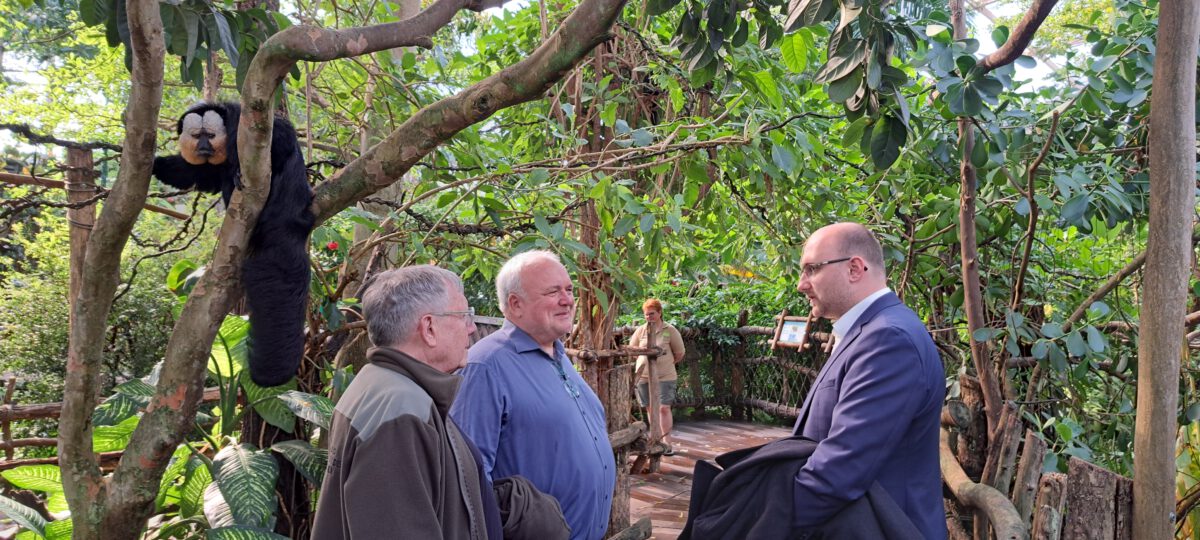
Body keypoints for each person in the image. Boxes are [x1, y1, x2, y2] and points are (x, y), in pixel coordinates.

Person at [312, 265, 502, 539]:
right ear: (429, 328)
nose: (471, 328)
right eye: (464, 316)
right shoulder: (400, 409)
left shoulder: (385, 387)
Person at [791, 222, 947, 539]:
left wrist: (767, 516)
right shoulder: (871, 330)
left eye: (811, 269)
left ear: (854, 269)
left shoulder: (889, 339)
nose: (801, 284)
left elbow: (842, 469)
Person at [451, 250, 617, 540]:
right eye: (553, 292)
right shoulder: (485, 367)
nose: (567, 300)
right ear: (515, 304)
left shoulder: (558, 354)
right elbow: (468, 482)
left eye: (569, 290)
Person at [629, 298, 685, 454]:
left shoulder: (670, 330)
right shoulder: (641, 330)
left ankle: (667, 442)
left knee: (664, 408)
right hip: (643, 376)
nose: (649, 317)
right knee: (650, 408)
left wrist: (664, 363)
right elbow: (632, 350)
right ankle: (656, 439)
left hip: (665, 376)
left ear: (660, 313)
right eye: (646, 314)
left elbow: (679, 353)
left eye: (652, 313)